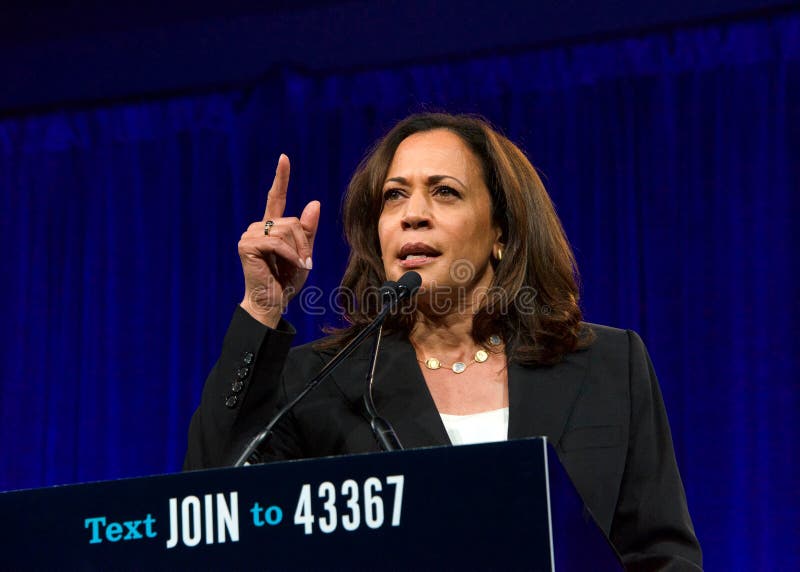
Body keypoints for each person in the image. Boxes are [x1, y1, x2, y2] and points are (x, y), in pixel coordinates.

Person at [184, 113, 702, 569]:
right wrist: (262, 306)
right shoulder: (320, 381)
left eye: (445, 191)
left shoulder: (607, 366)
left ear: (501, 231)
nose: (413, 212)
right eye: (394, 196)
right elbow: (211, 506)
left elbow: (662, 556)